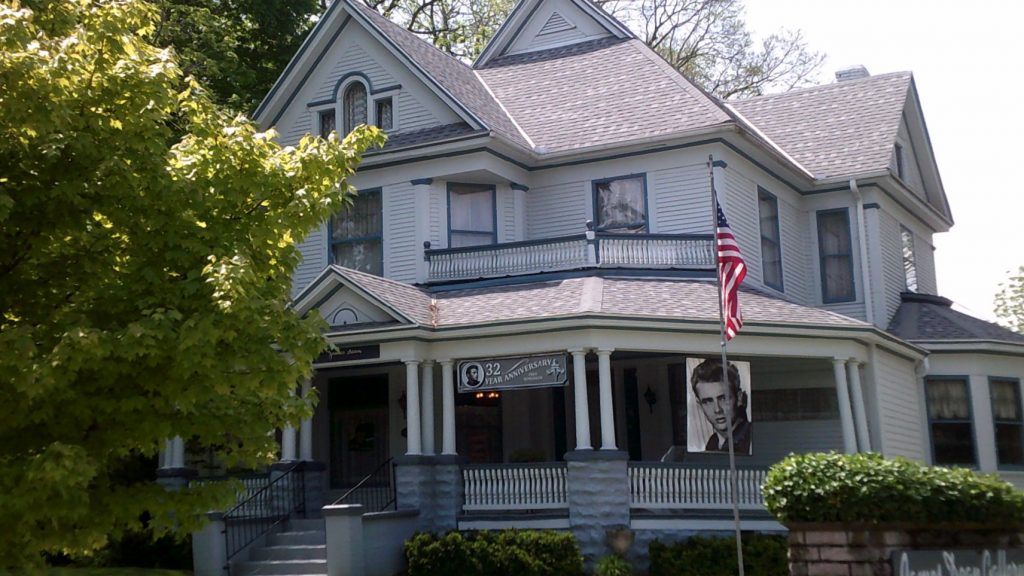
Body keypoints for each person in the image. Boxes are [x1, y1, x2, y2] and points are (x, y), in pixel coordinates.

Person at [690, 358, 751, 454]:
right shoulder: (713, 442)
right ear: (700, 405)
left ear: (739, 398)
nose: (717, 409)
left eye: (723, 398)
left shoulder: (750, 439)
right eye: (708, 401)